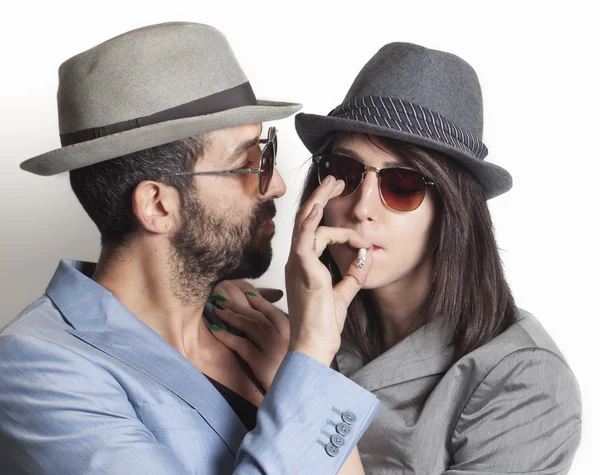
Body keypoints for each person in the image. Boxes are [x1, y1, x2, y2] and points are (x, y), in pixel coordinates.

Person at [0, 22, 382, 474]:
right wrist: (313, 355)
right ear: (158, 206)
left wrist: (299, 367)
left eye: (268, 152)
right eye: (247, 163)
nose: (277, 184)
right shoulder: (37, 368)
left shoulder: (255, 330)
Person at [211, 43, 582, 474]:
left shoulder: (526, 381)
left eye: (402, 184)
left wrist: (301, 387)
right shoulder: (311, 330)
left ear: (453, 211)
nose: (362, 206)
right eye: (345, 173)